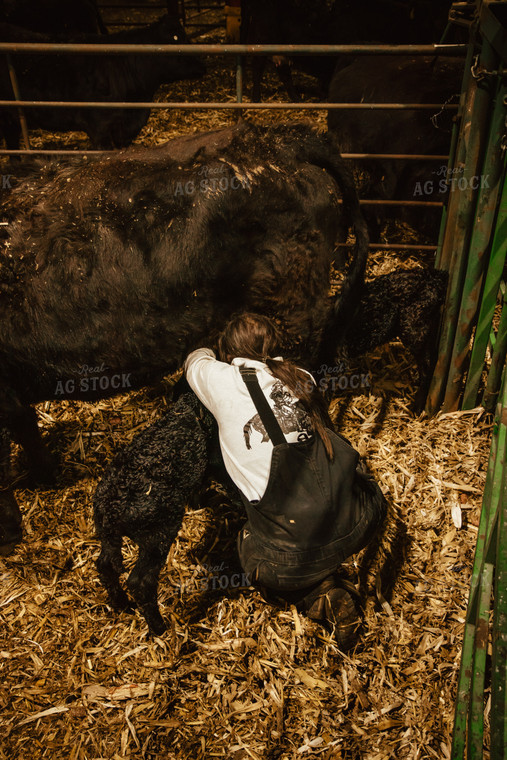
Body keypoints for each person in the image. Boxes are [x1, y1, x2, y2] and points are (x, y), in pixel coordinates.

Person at [185, 313, 387, 649]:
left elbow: (193, 361)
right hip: (361, 519)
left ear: (229, 354)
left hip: (290, 561)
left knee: (249, 548)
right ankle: (326, 573)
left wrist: (210, 347)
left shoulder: (219, 379)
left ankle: (319, 596)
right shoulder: (301, 376)